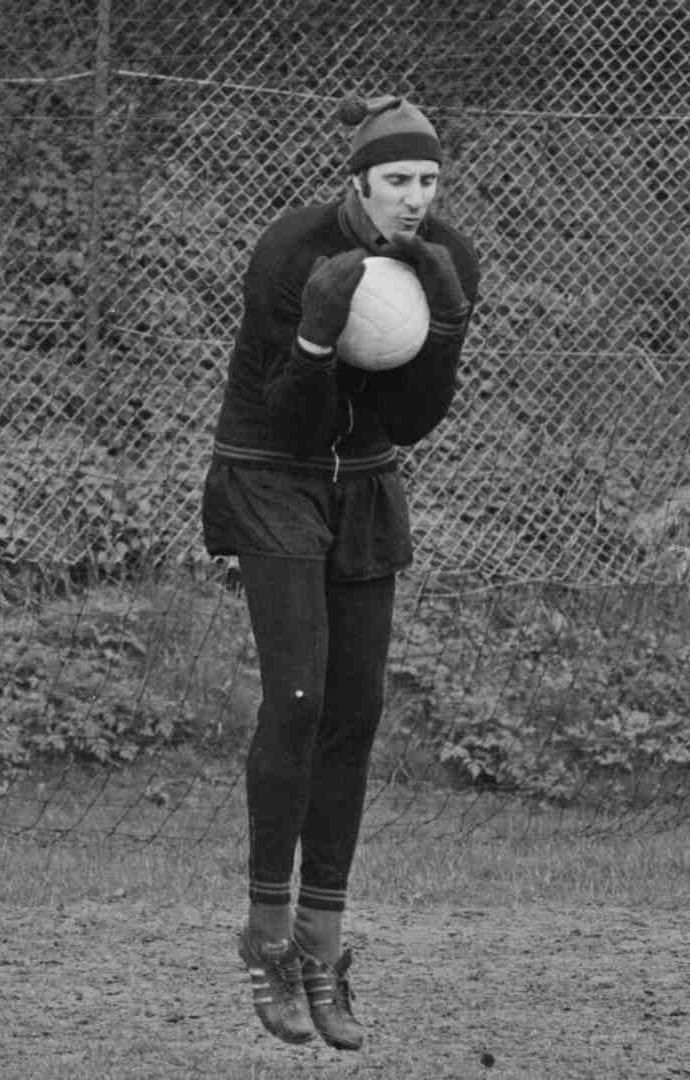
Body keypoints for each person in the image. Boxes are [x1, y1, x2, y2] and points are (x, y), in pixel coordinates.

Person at [200, 95, 482, 1051]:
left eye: (430, 180)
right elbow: (290, 421)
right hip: (270, 474)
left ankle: (324, 946)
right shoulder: (291, 252)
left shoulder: (445, 256)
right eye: (399, 179)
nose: (416, 197)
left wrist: (444, 328)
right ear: (359, 180)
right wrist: (319, 334)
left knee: (356, 709)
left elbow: (405, 422)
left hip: (364, 484)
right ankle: (268, 938)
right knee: (298, 698)